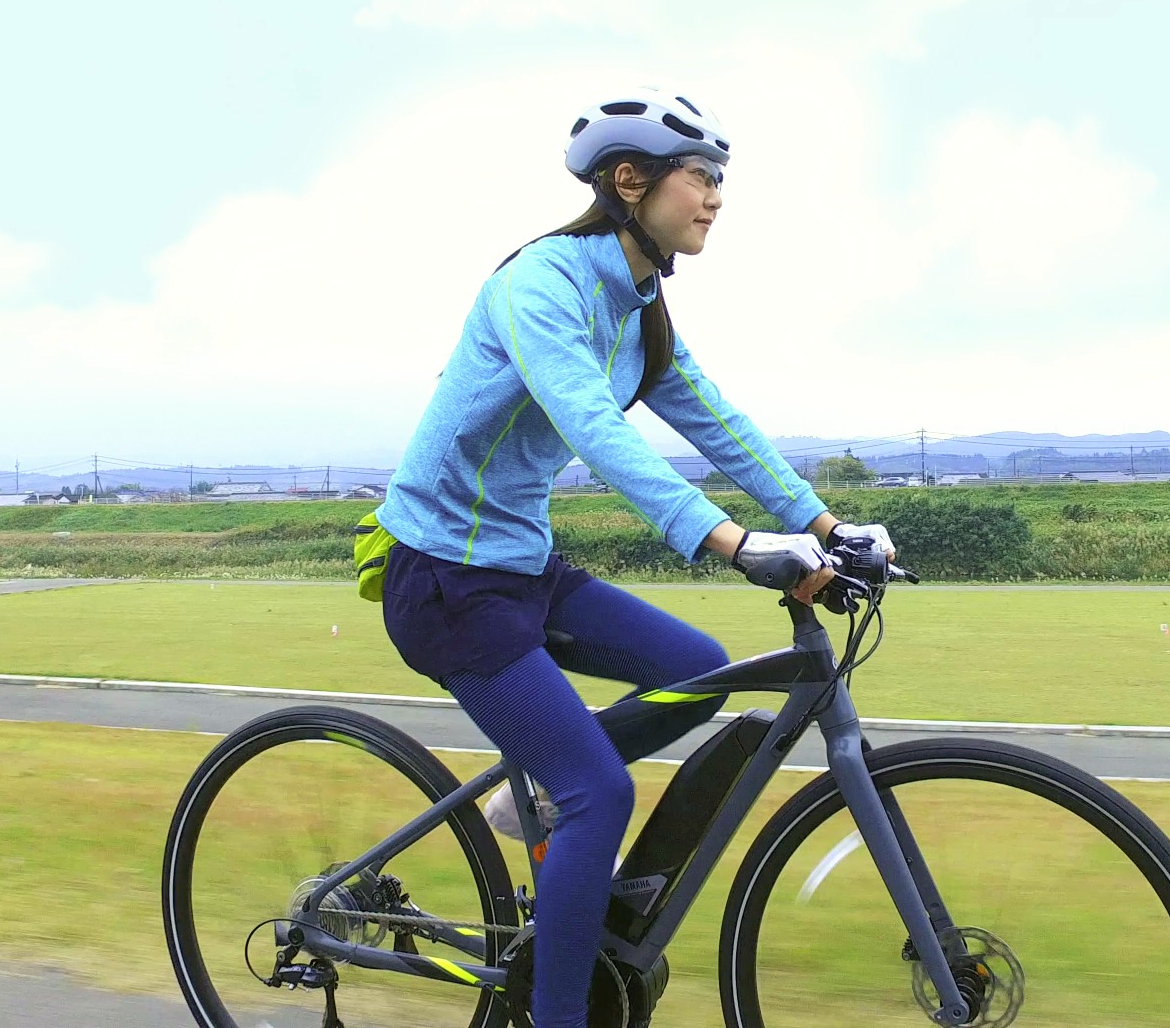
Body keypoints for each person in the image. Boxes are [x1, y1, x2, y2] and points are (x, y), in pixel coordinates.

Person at [372, 87, 895, 1028]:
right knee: (599, 795)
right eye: (702, 177)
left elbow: (717, 422)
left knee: (699, 670)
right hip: (445, 577)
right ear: (631, 180)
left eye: (719, 179)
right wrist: (729, 542)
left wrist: (823, 526)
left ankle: (541, 788)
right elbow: (594, 428)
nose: (716, 197)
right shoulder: (543, 285)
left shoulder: (640, 301)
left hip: (520, 566)